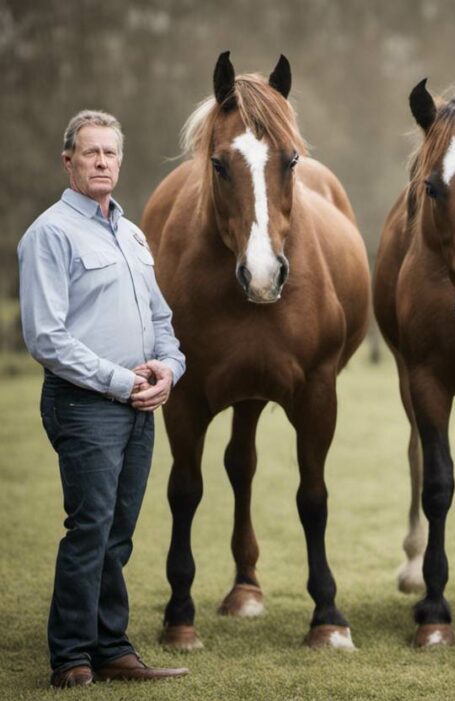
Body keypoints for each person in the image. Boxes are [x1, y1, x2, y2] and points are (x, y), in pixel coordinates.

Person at [17, 110, 189, 688]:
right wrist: (121, 381)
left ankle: (111, 647)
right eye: (90, 153)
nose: (101, 162)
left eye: (109, 153)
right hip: (85, 404)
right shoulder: (49, 234)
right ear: (68, 161)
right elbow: (46, 336)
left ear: (120, 160)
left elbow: (162, 320)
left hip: (140, 405)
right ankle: (71, 658)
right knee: (89, 527)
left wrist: (169, 369)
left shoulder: (133, 234)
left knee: (118, 532)